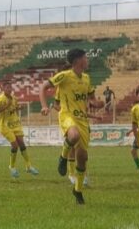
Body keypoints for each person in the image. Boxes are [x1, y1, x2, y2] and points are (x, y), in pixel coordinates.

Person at [40, 48, 103, 205]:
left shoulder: (87, 79)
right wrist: (44, 106)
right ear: (78, 61)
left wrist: (97, 103)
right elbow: (43, 87)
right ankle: (62, 157)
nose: (87, 60)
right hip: (67, 115)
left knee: (82, 158)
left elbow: (92, 99)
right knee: (73, 136)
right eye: (85, 57)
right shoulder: (65, 76)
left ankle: (78, 190)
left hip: (82, 120)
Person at [0, 80, 38, 178]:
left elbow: (15, 107)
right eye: (7, 88)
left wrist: (19, 108)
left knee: (22, 144)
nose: (9, 89)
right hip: (5, 125)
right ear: (3, 89)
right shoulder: (0, 99)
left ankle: (28, 166)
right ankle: (12, 166)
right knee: (15, 146)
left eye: (10, 87)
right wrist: (5, 106)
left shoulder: (14, 98)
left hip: (15, 124)